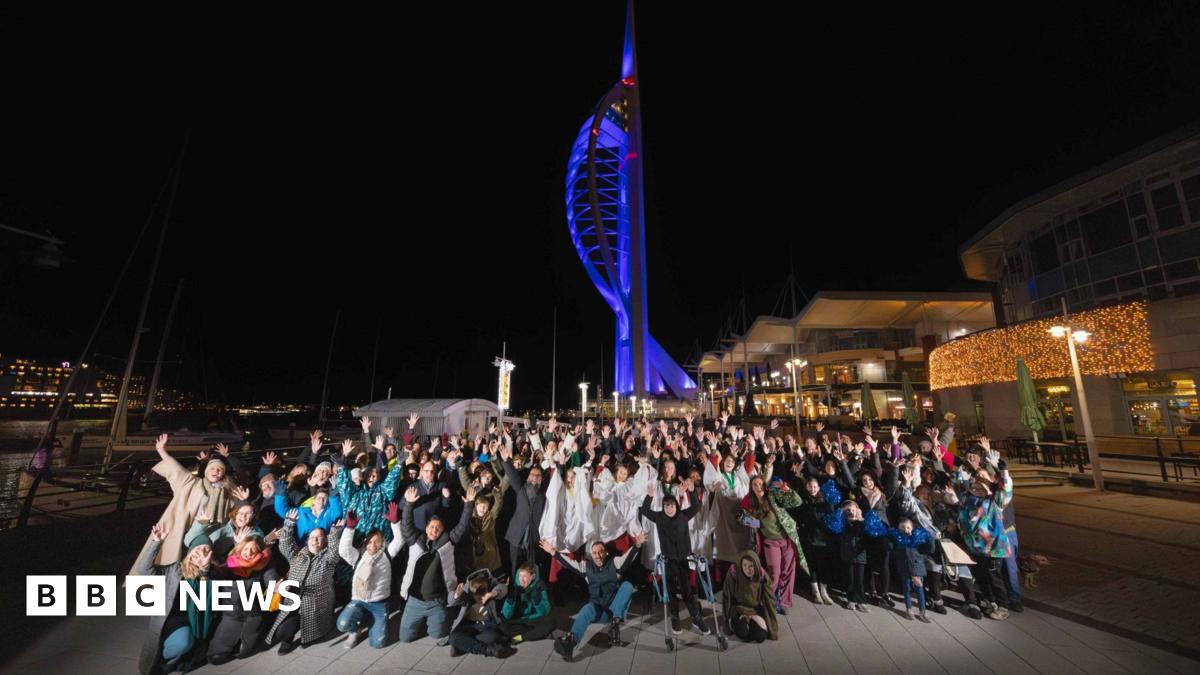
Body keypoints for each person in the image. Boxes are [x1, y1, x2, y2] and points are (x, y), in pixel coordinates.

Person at [131, 434, 236, 575]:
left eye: (219, 470)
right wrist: (161, 450)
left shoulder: (226, 490)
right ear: (206, 471)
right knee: (174, 562)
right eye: (212, 468)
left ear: (223, 474)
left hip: (208, 534)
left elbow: (236, 509)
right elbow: (176, 470)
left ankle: (194, 587)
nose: (215, 472)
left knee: (202, 564)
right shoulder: (193, 483)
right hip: (184, 528)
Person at [547, 534, 646, 662]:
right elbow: (568, 564)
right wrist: (553, 552)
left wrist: (638, 545)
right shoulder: (586, 568)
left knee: (627, 585)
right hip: (600, 611)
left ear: (606, 553)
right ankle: (570, 644)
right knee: (587, 609)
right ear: (591, 555)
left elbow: (629, 557)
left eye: (600, 552)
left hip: (614, 610)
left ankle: (615, 626)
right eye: (594, 553)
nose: (598, 556)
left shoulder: (615, 564)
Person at [397, 484, 474, 643]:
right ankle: (418, 620)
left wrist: (469, 505)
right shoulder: (415, 540)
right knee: (405, 638)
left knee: (438, 634)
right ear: (426, 528)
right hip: (415, 601)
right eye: (431, 527)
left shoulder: (448, 541)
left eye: (438, 528)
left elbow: (462, 526)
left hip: (436, 602)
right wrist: (409, 504)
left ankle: (436, 619)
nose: (434, 531)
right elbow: (406, 525)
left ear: (442, 531)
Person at [135, 524, 217, 674]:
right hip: (171, 618)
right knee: (178, 644)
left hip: (193, 620)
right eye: (197, 549)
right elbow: (144, 570)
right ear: (190, 551)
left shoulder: (212, 573)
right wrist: (156, 543)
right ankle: (161, 659)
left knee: (190, 644)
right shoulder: (175, 569)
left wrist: (204, 571)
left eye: (206, 549)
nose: (201, 553)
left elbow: (207, 600)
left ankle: (172, 662)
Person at [264, 511, 345, 654]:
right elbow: (285, 545)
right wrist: (289, 524)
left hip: (316, 602)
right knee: (282, 632)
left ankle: (314, 632)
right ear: (307, 540)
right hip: (293, 599)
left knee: (314, 633)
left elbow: (334, 550)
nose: (315, 540)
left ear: (325, 542)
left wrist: (335, 533)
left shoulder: (328, 559)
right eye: (312, 537)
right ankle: (287, 640)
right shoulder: (298, 554)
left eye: (320, 538)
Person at [638, 478, 708, 636]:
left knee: (686, 590)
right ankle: (675, 617)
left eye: (671, 505)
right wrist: (649, 496)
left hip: (683, 559)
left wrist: (691, 491)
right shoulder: (660, 517)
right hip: (669, 559)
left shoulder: (683, 515)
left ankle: (696, 618)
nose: (668, 508)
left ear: (676, 505)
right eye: (665, 506)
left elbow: (696, 507)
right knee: (670, 590)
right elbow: (645, 510)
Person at [334, 511, 405, 648]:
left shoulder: (387, 554)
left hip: (379, 604)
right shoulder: (358, 556)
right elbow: (343, 550)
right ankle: (354, 630)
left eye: (376, 542)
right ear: (365, 543)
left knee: (378, 643)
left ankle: (371, 620)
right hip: (359, 601)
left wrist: (395, 523)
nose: (373, 545)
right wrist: (349, 529)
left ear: (382, 543)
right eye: (370, 542)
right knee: (342, 624)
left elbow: (400, 540)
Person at [739, 475, 807, 613]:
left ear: (764, 485)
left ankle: (784, 602)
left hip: (786, 538)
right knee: (774, 573)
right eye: (755, 484)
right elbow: (740, 517)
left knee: (788, 570)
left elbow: (797, 501)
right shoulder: (749, 501)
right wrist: (755, 523)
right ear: (751, 487)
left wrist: (787, 490)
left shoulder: (773, 495)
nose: (758, 486)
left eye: (760, 483)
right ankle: (769, 600)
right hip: (770, 542)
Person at [208, 534, 276, 665]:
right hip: (232, 614)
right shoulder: (229, 564)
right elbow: (216, 574)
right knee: (216, 657)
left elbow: (271, 577)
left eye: (253, 550)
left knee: (244, 652)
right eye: (245, 549)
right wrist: (206, 568)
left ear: (260, 552)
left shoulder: (264, 565)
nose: (248, 553)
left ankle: (258, 632)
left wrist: (276, 586)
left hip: (253, 613)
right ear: (240, 549)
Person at [499, 442, 551, 578]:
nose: (535, 478)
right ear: (528, 477)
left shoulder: (543, 494)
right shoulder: (521, 489)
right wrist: (506, 461)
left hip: (533, 539)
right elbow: (513, 476)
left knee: (531, 570)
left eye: (538, 476)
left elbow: (554, 478)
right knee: (515, 567)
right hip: (516, 536)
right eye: (532, 475)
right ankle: (514, 593)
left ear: (541, 479)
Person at [447, 574, 515, 658]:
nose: (481, 599)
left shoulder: (491, 587)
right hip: (469, 626)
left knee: (493, 637)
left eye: (483, 597)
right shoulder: (467, 591)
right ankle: (488, 650)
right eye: (478, 598)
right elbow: (451, 601)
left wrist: (493, 593)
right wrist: (456, 596)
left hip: (486, 626)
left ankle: (464, 646)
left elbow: (503, 588)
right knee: (453, 637)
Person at [722, 549, 779, 643]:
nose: (747, 569)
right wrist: (726, 622)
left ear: (756, 565)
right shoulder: (734, 572)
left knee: (760, 636)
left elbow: (770, 599)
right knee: (743, 633)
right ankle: (738, 622)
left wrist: (772, 627)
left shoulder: (761, 575)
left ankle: (749, 620)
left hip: (754, 610)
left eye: (751, 566)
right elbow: (727, 597)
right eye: (745, 565)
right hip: (738, 610)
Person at [497, 562, 556, 644]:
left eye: (525, 576)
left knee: (551, 622)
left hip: (533, 619)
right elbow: (506, 615)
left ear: (533, 577)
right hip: (518, 620)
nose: (521, 579)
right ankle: (536, 634)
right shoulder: (515, 586)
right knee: (502, 627)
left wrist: (538, 602)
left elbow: (545, 612)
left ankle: (519, 638)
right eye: (520, 576)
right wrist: (510, 601)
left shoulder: (539, 586)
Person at [888, 518, 933, 622]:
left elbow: (929, 548)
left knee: (920, 590)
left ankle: (923, 610)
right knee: (907, 589)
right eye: (903, 527)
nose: (906, 530)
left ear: (912, 528)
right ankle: (909, 609)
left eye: (908, 527)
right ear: (899, 528)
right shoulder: (898, 541)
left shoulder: (917, 540)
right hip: (905, 569)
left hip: (917, 569)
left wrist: (930, 538)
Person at [274, 486, 342, 543]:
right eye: (319, 498)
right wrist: (280, 494)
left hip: (322, 548)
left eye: (324, 499)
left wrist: (333, 497)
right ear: (314, 500)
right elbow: (283, 511)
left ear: (327, 502)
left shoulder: (329, 513)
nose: (321, 500)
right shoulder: (302, 512)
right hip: (303, 548)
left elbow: (337, 512)